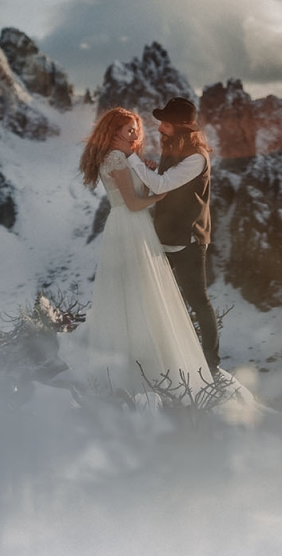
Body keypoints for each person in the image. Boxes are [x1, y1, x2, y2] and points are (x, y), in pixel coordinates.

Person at [78, 107, 214, 396]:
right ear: (113, 132)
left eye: (135, 129)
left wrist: (143, 173)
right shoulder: (117, 157)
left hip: (131, 227)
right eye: (129, 129)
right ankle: (148, 361)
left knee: (136, 293)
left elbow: (132, 191)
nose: (136, 134)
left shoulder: (125, 157)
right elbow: (134, 203)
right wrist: (159, 194)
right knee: (144, 292)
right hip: (132, 225)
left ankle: (138, 355)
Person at [124, 97, 220, 372]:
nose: (160, 128)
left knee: (198, 301)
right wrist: (151, 170)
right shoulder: (174, 152)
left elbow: (163, 185)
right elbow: (162, 188)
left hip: (188, 240)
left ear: (179, 128)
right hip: (165, 235)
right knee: (157, 295)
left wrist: (133, 158)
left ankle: (211, 362)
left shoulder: (196, 159)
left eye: (165, 124)